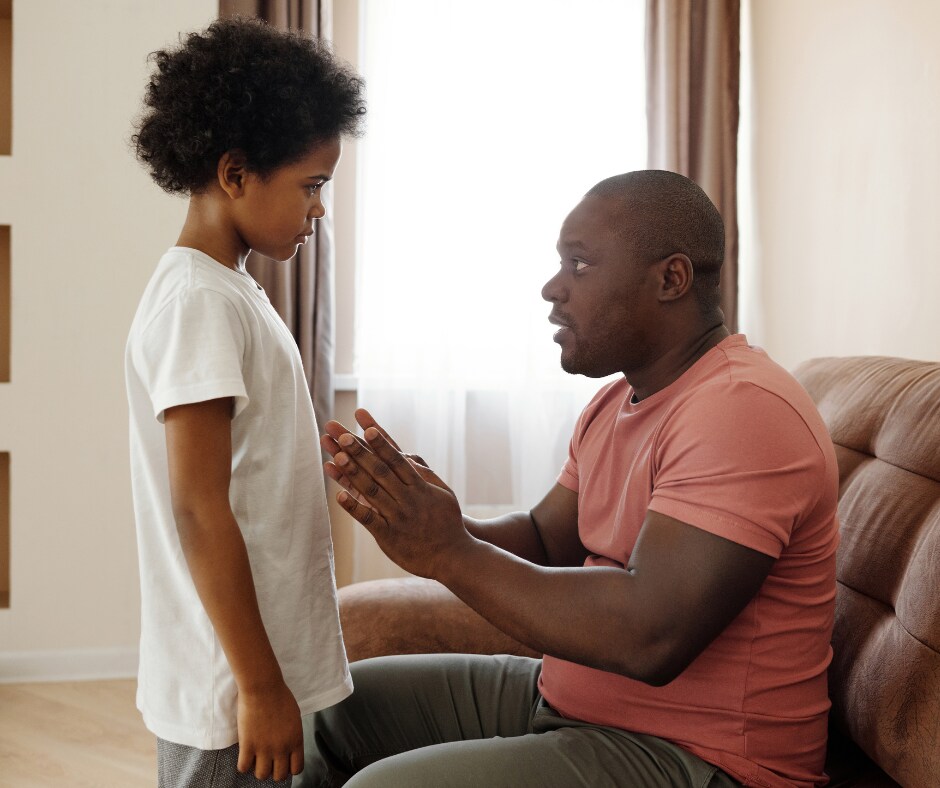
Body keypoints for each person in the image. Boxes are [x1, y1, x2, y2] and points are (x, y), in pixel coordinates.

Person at [308, 170, 840, 788]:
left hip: (703, 757)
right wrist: (445, 522)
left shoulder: (741, 409)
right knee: (330, 708)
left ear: (671, 279)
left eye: (580, 264)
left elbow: (651, 636)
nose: (551, 288)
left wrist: (448, 552)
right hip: (571, 704)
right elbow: (544, 537)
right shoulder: (617, 401)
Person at [125, 18, 365, 787]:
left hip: (257, 666)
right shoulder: (199, 300)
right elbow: (199, 509)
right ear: (234, 173)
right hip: (231, 683)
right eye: (312, 186)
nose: (319, 210)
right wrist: (260, 688)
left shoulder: (230, 290)